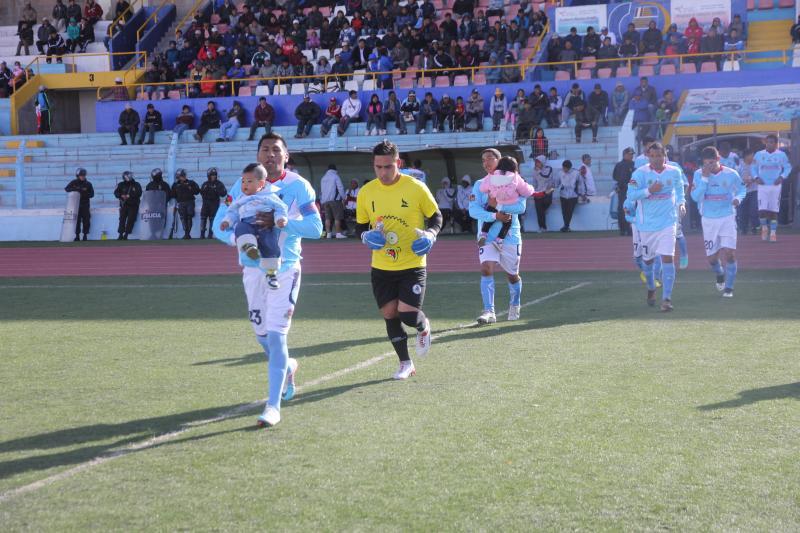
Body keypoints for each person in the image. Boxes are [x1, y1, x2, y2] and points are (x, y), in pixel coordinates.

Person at [214, 133, 321, 427]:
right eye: (265, 149)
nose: (270, 154)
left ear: (286, 156)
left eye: (276, 150)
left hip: (284, 268)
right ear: (258, 155)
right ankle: (287, 365)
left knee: (276, 334)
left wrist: (278, 223)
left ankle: (272, 406)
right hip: (252, 269)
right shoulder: (242, 185)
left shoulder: (298, 186)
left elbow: (316, 227)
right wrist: (240, 238)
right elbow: (219, 224)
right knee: (261, 334)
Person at [355, 140, 441, 380]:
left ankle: (423, 326)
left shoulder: (415, 188)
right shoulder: (367, 192)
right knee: (390, 314)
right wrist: (365, 236)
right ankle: (405, 363)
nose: (383, 173)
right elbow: (360, 226)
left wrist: (431, 235)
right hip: (381, 266)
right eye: (378, 167)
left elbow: (436, 217)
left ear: (398, 163)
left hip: (412, 264)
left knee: (407, 315)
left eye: (388, 167)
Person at [626, 142, 686, 312]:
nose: (657, 159)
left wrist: (682, 203)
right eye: (653, 156)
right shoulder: (640, 173)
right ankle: (651, 288)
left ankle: (666, 299)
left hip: (668, 222)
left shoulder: (674, 172)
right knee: (648, 262)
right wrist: (649, 190)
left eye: (660, 155)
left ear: (664, 156)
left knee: (668, 258)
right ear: (648, 156)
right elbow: (630, 195)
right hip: (647, 225)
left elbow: (680, 190)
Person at [469, 148, 527, 324]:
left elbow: (520, 207)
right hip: (486, 237)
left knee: (512, 275)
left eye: (489, 159)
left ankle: (515, 304)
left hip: (510, 237)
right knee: (486, 268)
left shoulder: (515, 181)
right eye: (483, 160)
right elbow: (473, 210)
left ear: (499, 160)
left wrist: (499, 207)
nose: (486, 163)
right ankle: (489, 312)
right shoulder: (480, 184)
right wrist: (494, 215)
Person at [220, 163, 289, 289]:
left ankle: (271, 274)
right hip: (247, 223)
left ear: (261, 184)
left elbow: (281, 208)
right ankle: (249, 247)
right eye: (243, 181)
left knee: (270, 246)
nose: (245, 185)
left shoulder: (269, 196)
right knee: (240, 228)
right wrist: (227, 221)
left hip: (264, 225)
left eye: (249, 181)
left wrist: (280, 219)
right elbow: (233, 211)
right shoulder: (241, 198)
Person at [690, 146, 745, 298]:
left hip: (727, 217)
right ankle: (719, 273)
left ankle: (729, 288)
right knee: (712, 258)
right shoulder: (698, 174)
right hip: (708, 220)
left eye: (713, 163)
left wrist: (737, 199)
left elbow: (742, 190)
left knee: (730, 253)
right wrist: (705, 179)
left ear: (718, 159)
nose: (710, 166)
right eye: (707, 163)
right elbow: (695, 197)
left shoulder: (731, 174)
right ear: (703, 162)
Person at [477, 155, 535, 248]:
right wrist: (532, 188)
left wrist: (490, 189)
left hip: (493, 204)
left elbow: (482, 188)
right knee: (507, 224)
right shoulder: (515, 177)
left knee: (488, 220)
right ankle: (499, 240)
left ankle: (483, 234)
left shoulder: (492, 176)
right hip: (508, 207)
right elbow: (526, 191)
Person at [753, 134, 791, 242]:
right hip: (762, 186)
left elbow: (788, 168)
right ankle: (764, 228)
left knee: (773, 211)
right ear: (765, 142)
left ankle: (773, 233)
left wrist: (781, 177)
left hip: (775, 186)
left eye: (772, 142)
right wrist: (756, 177)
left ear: (776, 143)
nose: (770, 144)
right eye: (768, 142)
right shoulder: (759, 155)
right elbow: (753, 168)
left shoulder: (781, 155)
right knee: (762, 210)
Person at [65, 168, 94, 241]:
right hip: (76, 205)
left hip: (85, 204)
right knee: (77, 221)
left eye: (83, 175)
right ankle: (77, 235)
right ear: (77, 175)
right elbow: (67, 189)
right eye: (81, 175)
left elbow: (92, 194)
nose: (82, 177)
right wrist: (75, 190)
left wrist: (84, 194)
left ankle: (85, 235)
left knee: (86, 220)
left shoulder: (88, 184)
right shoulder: (74, 182)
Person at [170, 168, 200, 239]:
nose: (183, 177)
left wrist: (191, 189)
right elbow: (173, 195)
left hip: (190, 202)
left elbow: (197, 191)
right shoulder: (175, 185)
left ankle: (187, 233)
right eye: (182, 176)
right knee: (183, 218)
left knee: (189, 217)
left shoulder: (191, 182)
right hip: (181, 203)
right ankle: (186, 233)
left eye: (184, 175)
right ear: (178, 177)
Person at [555, 160, 584, 232]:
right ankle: (566, 226)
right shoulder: (560, 173)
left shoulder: (576, 173)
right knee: (564, 211)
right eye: (563, 168)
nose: (564, 169)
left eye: (565, 168)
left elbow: (581, 183)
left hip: (573, 195)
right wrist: (559, 188)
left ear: (569, 167)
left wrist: (581, 193)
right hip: (563, 194)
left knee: (570, 211)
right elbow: (556, 183)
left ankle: (566, 226)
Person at [613, 147, 636, 236]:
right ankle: (625, 229)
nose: (631, 156)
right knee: (624, 210)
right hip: (624, 191)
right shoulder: (621, 165)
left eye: (632, 154)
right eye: (630, 154)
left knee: (627, 209)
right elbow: (615, 177)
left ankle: (626, 229)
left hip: (628, 190)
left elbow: (635, 178)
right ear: (625, 155)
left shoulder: (632, 164)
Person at [320, 164, 347, 239]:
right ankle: (338, 233)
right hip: (335, 200)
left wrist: (322, 201)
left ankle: (328, 234)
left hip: (325, 201)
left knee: (327, 218)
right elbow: (340, 187)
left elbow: (322, 191)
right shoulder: (335, 176)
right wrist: (344, 197)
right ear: (335, 169)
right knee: (337, 217)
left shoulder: (323, 178)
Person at [199, 167, 227, 239]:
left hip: (214, 204)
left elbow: (223, 193)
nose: (213, 176)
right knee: (203, 218)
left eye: (215, 175)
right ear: (209, 176)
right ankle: (202, 234)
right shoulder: (205, 184)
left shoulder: (219, 184)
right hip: (205, 204)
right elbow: (201, 193)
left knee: (212, 219)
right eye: (212, 175)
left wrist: (216, 190)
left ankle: (210, 235)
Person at [113, 170, 142, 240]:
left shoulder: (136, 184)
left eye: (130, 175)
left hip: (133, 205)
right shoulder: (121, 184)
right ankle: (120, 234)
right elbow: (116, 193)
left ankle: (126, 234)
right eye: (129, 176)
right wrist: (121, 195)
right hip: (124, 205)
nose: (130, 177)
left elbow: (139, 193)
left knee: (131, 219)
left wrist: (130, 195)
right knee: (122, 219)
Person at [737, 150, 760, 235]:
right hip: (742, 192)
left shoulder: (756, 165)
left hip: (754, 191)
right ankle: (743, 229)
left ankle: (755, 228)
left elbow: (759, 175)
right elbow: (736, 179)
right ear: (746, 156)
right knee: (742, 212)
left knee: (754, 210)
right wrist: (743, 182)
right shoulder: (739, 166)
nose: (753, 157)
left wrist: (752, 180)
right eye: (751, 155)